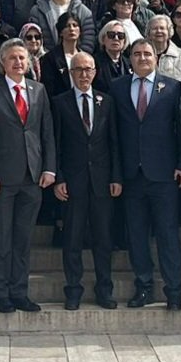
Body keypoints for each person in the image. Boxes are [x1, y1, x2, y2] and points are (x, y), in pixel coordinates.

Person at [0, 38, 56, 313]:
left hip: (32, 178)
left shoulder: (39, 90)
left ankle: (20, 292)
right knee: (1, 240)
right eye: (12, 58)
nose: (18, 62)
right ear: (3, 62)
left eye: (22, 58)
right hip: (1, 180)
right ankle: (1, 294)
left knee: (23, 240)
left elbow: (47, 133)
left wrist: (49, 168)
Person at [112, 39, 181, 309]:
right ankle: (143, 286)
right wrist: (116, 174)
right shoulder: (118, 87)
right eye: (137, 54)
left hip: (164, 174)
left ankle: (174, 291)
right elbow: (114, 136)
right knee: (136, 235)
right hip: (132, 175)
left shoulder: (172, 87)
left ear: (156, 58)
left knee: (168, 234)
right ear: (129, 58)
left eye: (147, 54)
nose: (142, 58)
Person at [52, 51, 121, 310]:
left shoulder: (107, 102)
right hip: (73, 182)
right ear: (71, 73)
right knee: (72, 239)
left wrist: (116, 177)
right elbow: (56, 144)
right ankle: (73, 290)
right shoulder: (60, 102)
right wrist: (58, 178)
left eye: (88, 69)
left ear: (95, 72)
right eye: (78, 69)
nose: (84, 74)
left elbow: (114, 143)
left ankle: (105, 289)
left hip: (102, 182)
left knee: (103, 239)